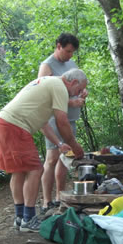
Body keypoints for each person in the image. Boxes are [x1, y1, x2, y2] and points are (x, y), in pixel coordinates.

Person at [0, 69, 87, 232]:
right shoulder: (59, 86)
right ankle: (29, 219)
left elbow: (44, 125)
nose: (76, 95)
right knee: (35, 170)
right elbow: (62, 121)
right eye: (78, 90)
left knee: (19, 171)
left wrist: (59, 144)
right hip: (15, 126)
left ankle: (20, 217)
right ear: (73, 82)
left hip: (4, 121)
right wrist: (74, 145)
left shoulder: (47, 82)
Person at [38, 33, 88, 213]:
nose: (70, 55)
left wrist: (82, 92)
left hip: (70, 118)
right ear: (58, 46)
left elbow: (77, 84)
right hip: (54, 119)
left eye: (72, 52)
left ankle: (60, 196)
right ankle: (46, 201)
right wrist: (70, 102)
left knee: (65, 158)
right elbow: (44, 95)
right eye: (67, 51)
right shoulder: (47, 66)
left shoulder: (71, 64)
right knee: (51, 158)